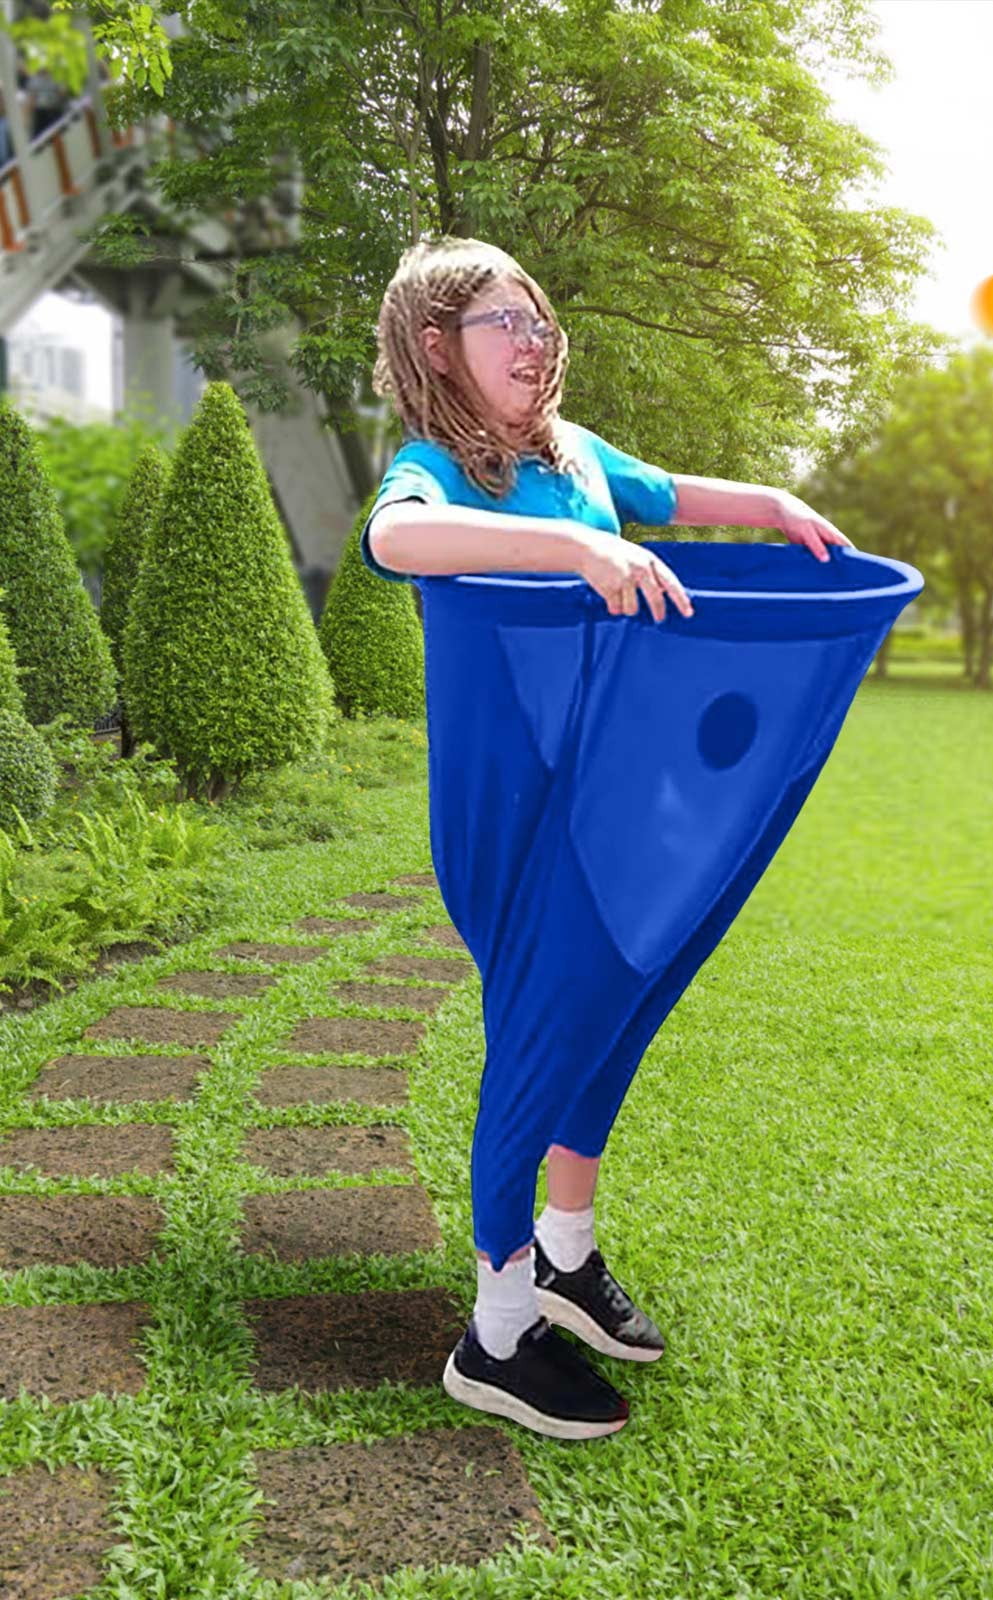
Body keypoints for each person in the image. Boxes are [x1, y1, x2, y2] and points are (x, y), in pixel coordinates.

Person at [362, 236, 853, 1440]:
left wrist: (775, 506)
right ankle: (494, 1332)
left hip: (619, 796)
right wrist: (575, 547)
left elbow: (678, 497)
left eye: (538, 318)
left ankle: (566, 1258)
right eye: (499, 322)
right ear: (437, 348)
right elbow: (395, 542)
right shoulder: (437, 470)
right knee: (540, 1033)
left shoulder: (575, 454)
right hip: (512, 812)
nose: (532, 340)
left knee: (615, 1023)